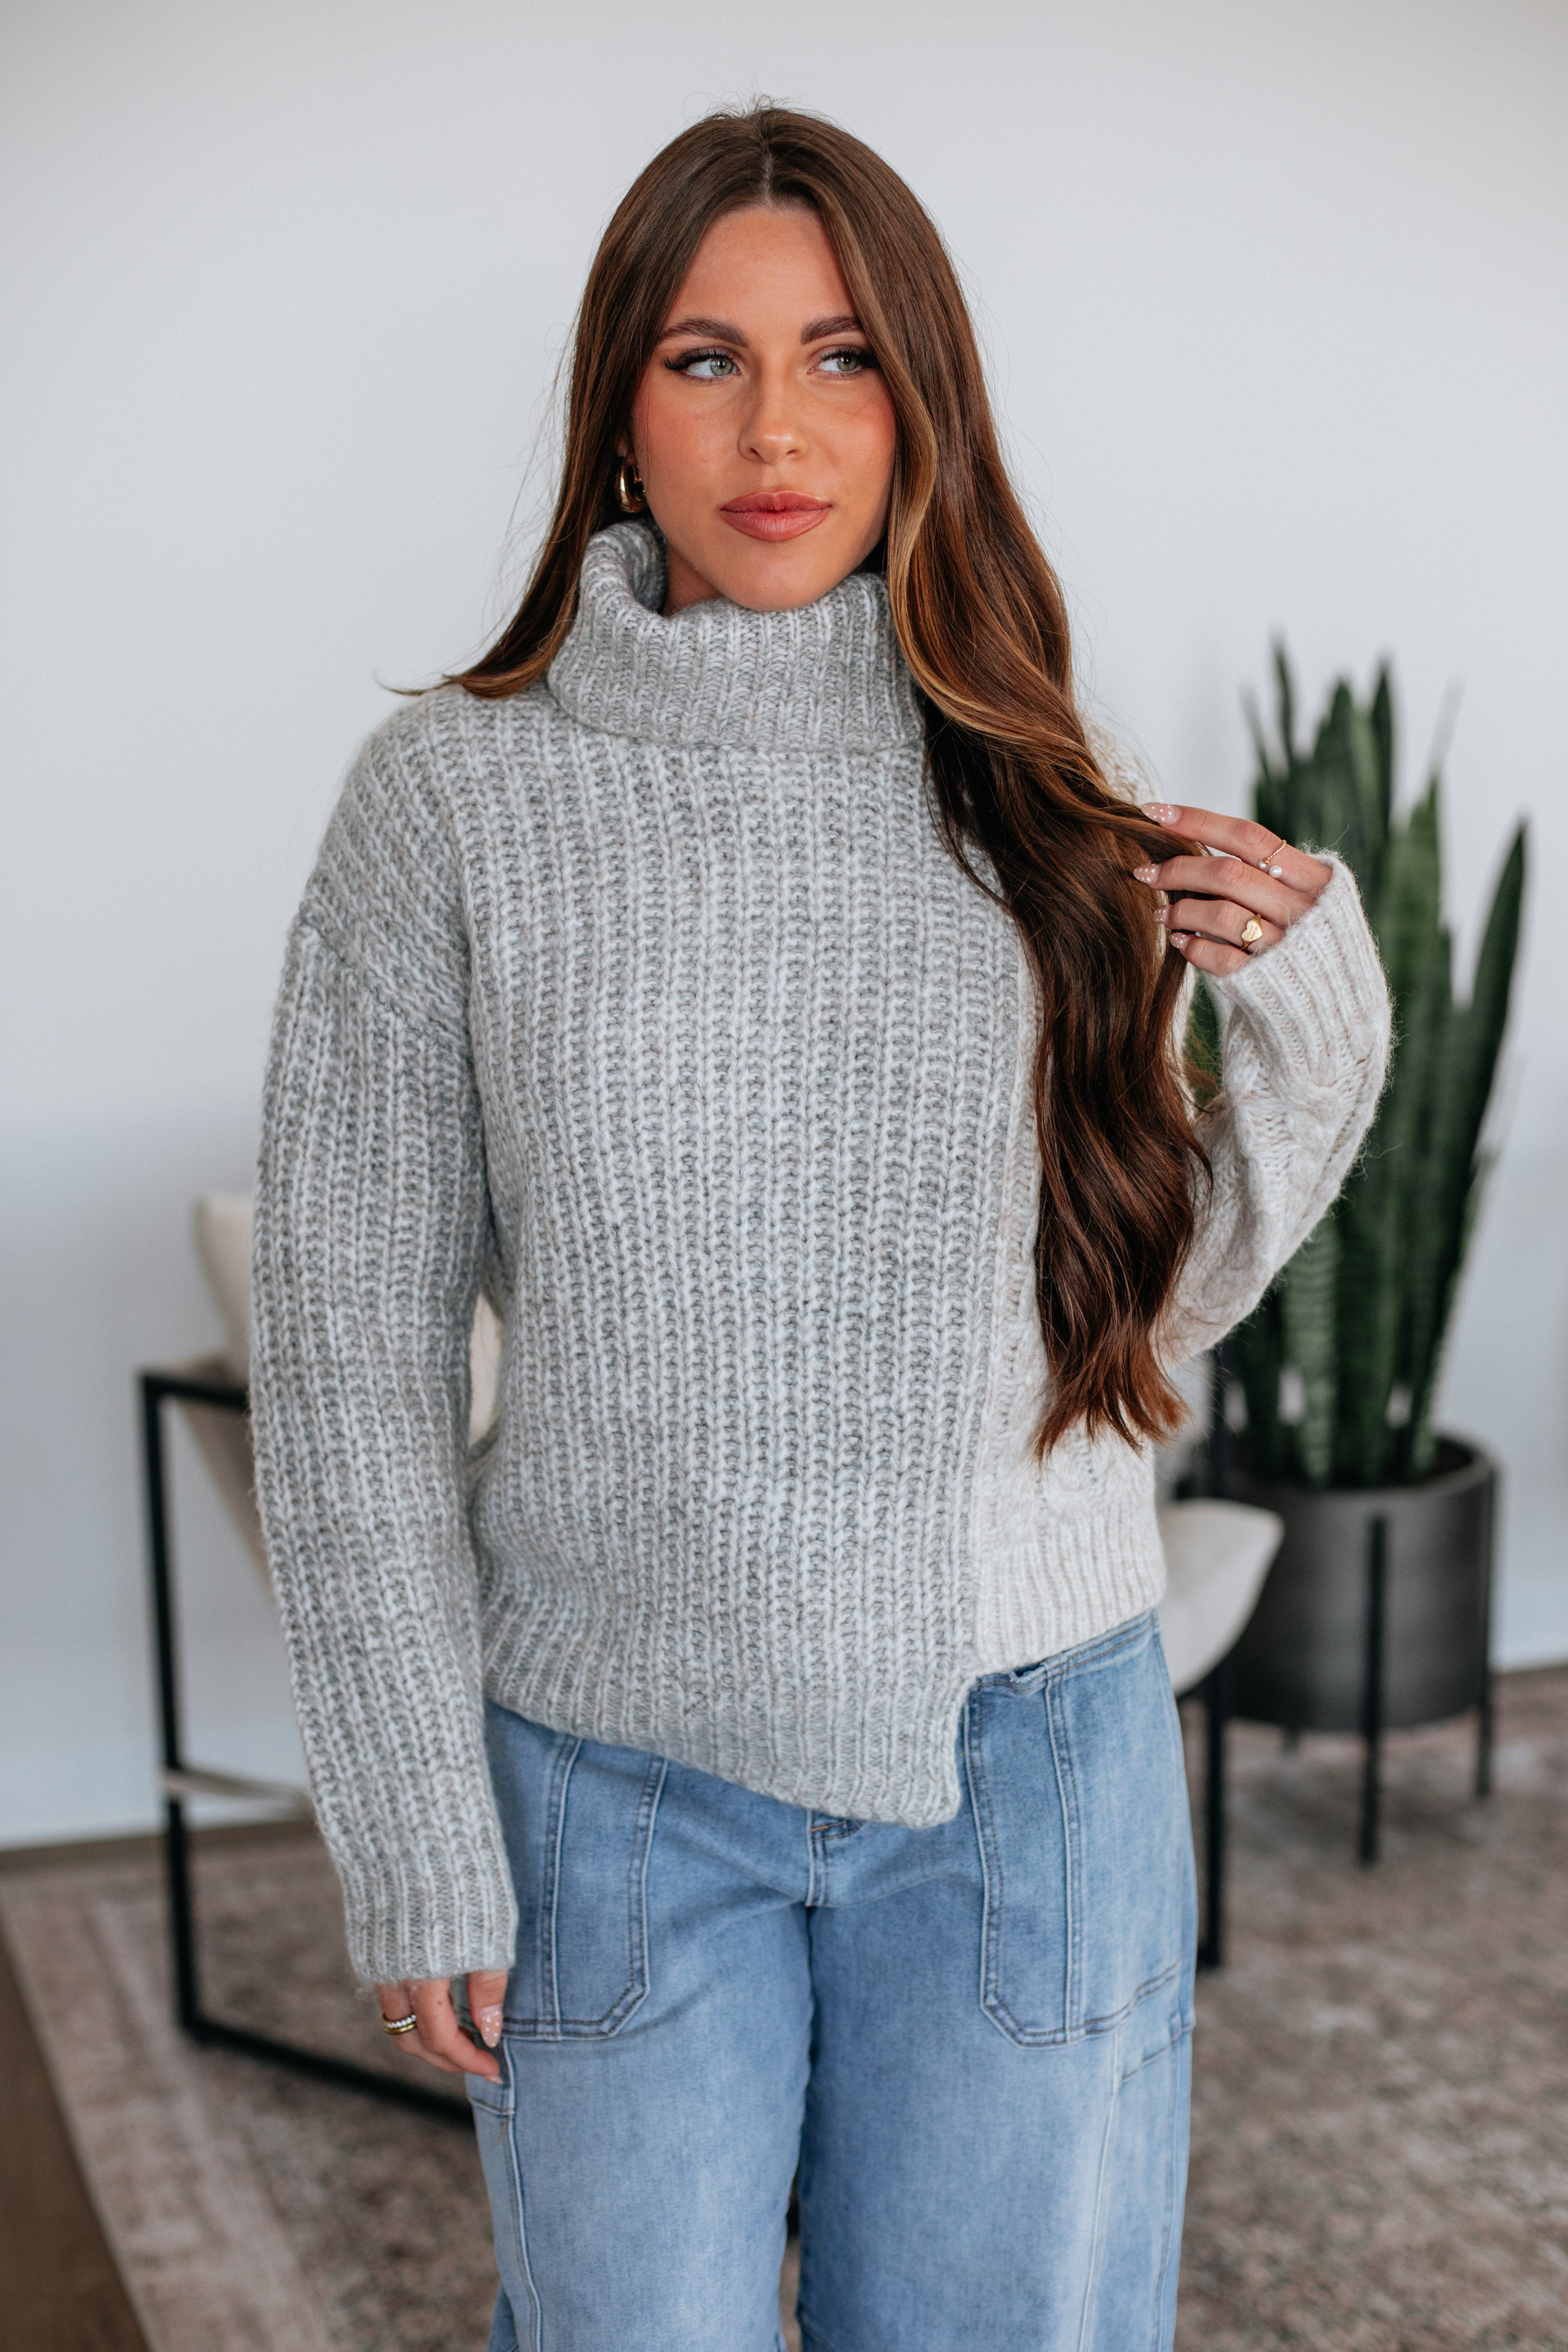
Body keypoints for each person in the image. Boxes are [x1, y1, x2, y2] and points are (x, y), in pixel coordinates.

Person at [251, 104, 1389, 2352]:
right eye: (705, 359)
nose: (775, 429)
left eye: (841, 356)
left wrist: (1314, 1026)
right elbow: (344, 1357)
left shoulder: (1040, 773)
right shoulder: (452, 802)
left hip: (1027, 1764)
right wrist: (411, 1820)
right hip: (607, 1783)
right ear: (617, 406)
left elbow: (1128, 1314)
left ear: (919, 400)